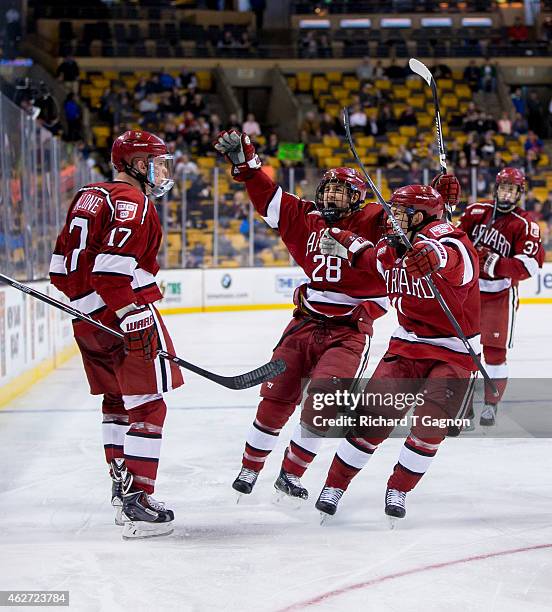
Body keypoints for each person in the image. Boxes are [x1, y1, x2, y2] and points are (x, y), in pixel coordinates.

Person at [213, 130, 389, 501]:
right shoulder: (307, 219)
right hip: (304, 325)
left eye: (341, 191)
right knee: (275, 400)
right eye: (327, 190)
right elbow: (270, 198)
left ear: (358, 198)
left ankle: (291, 474)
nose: (331, 196)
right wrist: (248, 166)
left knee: (323, 404)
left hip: (348, 331)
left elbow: (408, 239)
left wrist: (433, 208)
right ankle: (249, 468)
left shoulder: (376, 221)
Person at [314, 179, 479, 520]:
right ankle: (335, 485)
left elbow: (458, 258)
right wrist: (344, 239)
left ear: (420, 217)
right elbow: (370, 257)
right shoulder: (392, 248)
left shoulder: (448, 239)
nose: (393, 217)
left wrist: (435, 255)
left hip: (455, 350)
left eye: (402, 212)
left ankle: (398, 489)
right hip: (407, 345)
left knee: (430, 427)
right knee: (371, 420)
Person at [49, 130, 183, 538]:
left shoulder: (87, 195)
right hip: (125, 313)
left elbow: (59, 269)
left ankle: (121, 490)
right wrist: (127, 314)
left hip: (86, 317)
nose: (162, 172)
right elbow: (110, 271)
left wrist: (89, 308)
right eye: (157, 163)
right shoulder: (134, 202)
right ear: (138, 164)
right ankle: (138, 501)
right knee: (148, 407)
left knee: (116, 400)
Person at [458, 167, 544, 425]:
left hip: (500, 296)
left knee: (494, 352)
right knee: (463, 350)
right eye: (503, 187)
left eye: (512, 189)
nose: (506, 193)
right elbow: (455, 242)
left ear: (519, 193)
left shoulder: (526, 225)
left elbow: (528, 266)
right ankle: (463, 402)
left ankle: (490, 402)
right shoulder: (475, 212)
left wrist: (492, 263)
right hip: (468, 293)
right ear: (496, 189)